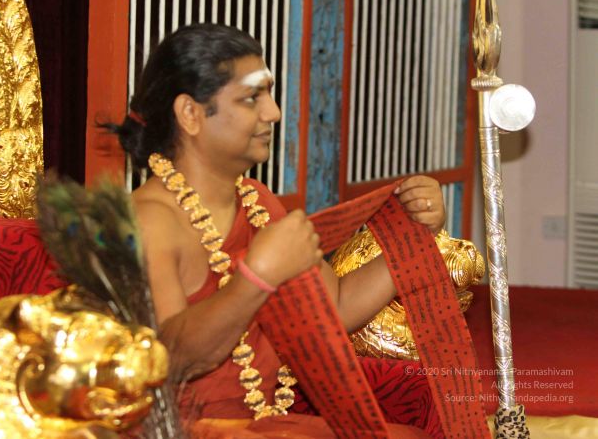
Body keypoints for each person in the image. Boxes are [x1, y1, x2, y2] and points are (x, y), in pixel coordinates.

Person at [111, 23, 447, 438]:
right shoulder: (148, 220)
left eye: (268, 95)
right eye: (252, 98)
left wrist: (413, 235)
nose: (273, 113)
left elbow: (335, 307)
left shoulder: (256, 201)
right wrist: (257, 276)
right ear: (191, 114)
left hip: (265, 424)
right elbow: (169, 360)